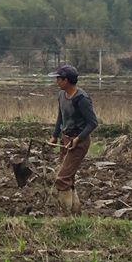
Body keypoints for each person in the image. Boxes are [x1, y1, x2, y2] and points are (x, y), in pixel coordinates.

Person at [47, 65, 98, 214]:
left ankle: (66, 214)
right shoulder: (61, 95)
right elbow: (61, 117)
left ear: (66, 80)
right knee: (69, 177)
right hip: (65, 139)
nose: (56, 81)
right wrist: (55, 136)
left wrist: (78, 138)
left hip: (78, 143)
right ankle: (76, 211)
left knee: (62, 178)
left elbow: (93, 123)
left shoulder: (81, 99)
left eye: (59, 78)